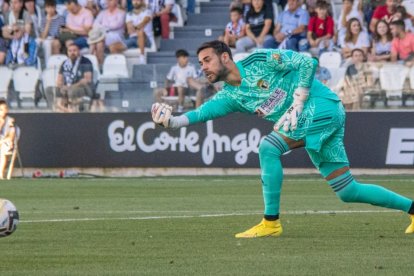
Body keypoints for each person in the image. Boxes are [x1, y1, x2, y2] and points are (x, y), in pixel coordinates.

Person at [151, 40, 414, 237]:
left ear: (225, 57)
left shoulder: (260, 61)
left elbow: (308, 62)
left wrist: (298, 99)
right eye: (200, 63)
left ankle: (271, 222)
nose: (203, 67)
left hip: (321, 106)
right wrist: (173, 122)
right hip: (315, 121)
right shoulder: (230, 96)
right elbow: (201, 112)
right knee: (348, 191)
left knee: (268, 147)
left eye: (207, 60)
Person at [54, 43, 93, 112]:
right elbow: (59, 79)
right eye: (70, 51)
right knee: (52, 90)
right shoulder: (64, 63)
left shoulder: (85, 61)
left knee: (72, 91)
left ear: (79, 51)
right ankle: (60, 110)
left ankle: (71, 111)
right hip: (67, 87)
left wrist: (70, 87)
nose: (72, 53)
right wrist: (62, 86)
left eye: (74, 50)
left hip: (82, 88)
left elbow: (87, 80)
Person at [89, 0, 126, 65]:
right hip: (103, 34)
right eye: (107, 0)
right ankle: (95, 64)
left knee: (98, 42)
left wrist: (102, 26)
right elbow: (95, 24)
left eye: (110, 0)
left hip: (115, 35)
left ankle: (100, 64)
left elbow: (116, 25)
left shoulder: (121, 13)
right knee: (96, 44)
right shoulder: (102, 13)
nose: (108, 2)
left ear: (116, 1)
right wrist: (105, 27)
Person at [39, 0, 66, 64]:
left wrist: (56, 37)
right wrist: (48, 22)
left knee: (55, 43)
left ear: (55, 8)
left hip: (56, 39)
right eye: (48, 7)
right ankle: (48, 64)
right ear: (45, 8)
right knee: (47, 44)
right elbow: (43, 36)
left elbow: (61, 32)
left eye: (52, 7)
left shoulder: (61, 18)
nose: (50, 10)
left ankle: (57, 64)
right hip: (46, 40)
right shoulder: (43, 19)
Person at [0, 99, 16, 180]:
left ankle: (0, 174)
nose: (3, 111)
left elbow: (12, 134)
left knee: (3, 150)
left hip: (5, 142)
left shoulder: (10, 120)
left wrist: (6, 141)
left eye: (5, 109)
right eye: (1, 109)